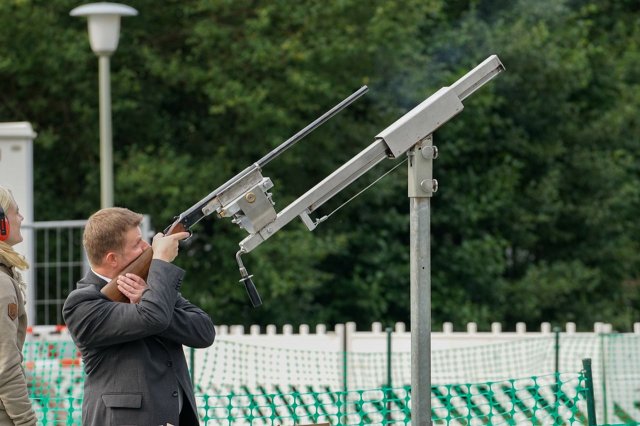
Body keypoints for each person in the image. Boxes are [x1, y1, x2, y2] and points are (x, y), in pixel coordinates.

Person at [62, 207, 215, 426]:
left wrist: (148, 296)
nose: (147, 248)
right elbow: (153, 318)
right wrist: (161, 261)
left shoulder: (149, 288)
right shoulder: (82, 304)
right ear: (112, 258)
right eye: (137, 244)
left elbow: (204, 331)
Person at [0, 186, 37, 425]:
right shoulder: (2, 284)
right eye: (17, 212)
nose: (21, 218)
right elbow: (5, 367)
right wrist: (27, 422)